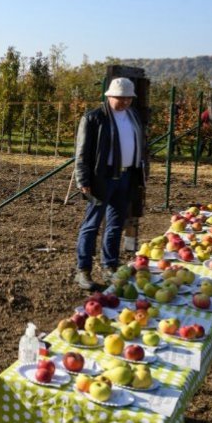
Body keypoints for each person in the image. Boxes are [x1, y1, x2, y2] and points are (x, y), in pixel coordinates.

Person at [74, 77, 148, 290]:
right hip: (102, 178)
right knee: (92, 224)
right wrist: (83, 180)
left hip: (126, 177)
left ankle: (110, 267)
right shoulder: (94, 118)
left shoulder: (132, 116)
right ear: (109, 96)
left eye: (128, 98)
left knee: (115, 225)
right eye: (121, 98)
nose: (125, 102)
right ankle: (83, 271)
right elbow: (82, 153)